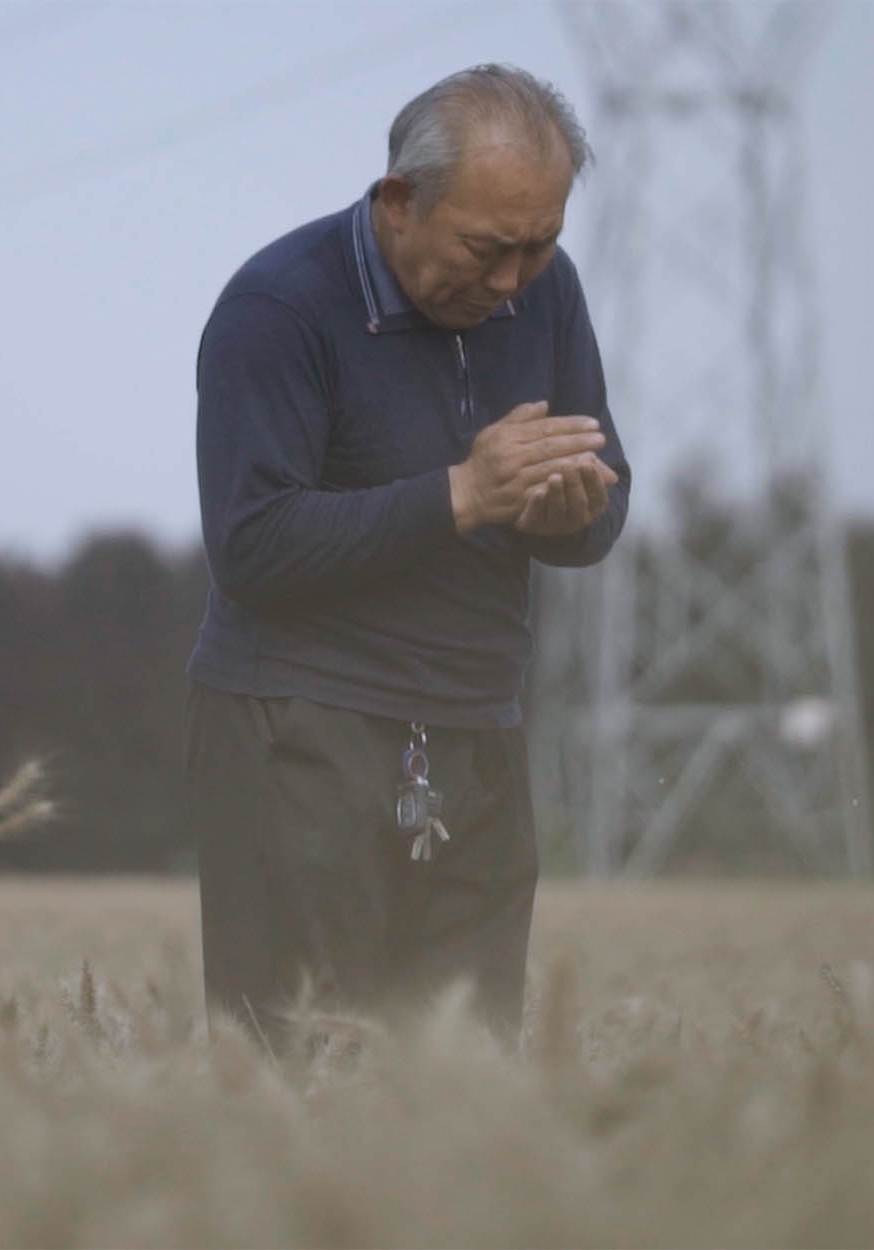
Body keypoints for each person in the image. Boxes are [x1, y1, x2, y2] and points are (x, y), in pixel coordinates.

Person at [185, 65, 631, 1042]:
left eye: (540, 245)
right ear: (399, 200)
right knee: (295, 1060)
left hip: (478, 726)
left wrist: (563, 514)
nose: (512, 281)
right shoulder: (277, 309)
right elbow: (251, 546)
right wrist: (464, 492)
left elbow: (600, 508)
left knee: (459, 1079)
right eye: (485, 248)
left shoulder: (546, 294)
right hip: (299, 733)